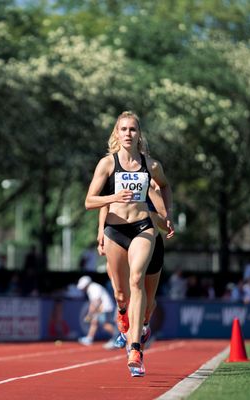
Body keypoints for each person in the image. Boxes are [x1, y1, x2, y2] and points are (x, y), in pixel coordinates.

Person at [85, 111, 174, 377]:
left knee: (137, 280)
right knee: (121, 294)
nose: (127, 133)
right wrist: (107, 213)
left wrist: (166, 215)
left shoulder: (151, 165)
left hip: (143, 227)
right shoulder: (107, 164)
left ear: (139, 134)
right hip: (115, 230)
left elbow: (164, 187)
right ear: (116, 133)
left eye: (132, 129)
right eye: (123, 129)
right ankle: (123, 314)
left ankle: (135, 348)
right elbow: (90, 201)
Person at [76, 275, 117, 348]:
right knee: (94, 322)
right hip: (101, 308)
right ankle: (89, 338)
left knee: (105, 325)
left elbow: (96, 302)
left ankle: (119, 338)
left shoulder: (93, 288)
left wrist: (89, 314)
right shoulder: (92, 288)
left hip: (105, 308)